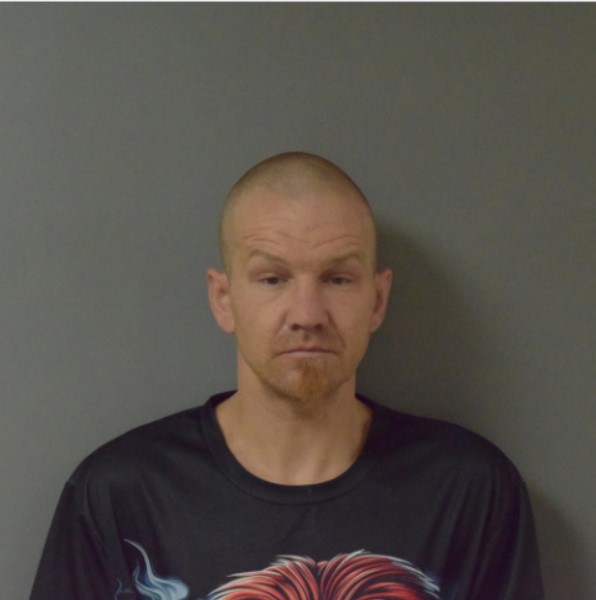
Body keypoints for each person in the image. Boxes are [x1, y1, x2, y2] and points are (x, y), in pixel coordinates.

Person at [31, 152, 544, 600]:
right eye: (273, 278)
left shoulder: (468, 490)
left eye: (337, 278)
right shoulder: (121, 494)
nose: (307, 314)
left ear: (377, 299)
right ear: (224, 299)